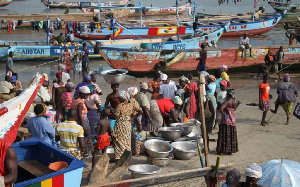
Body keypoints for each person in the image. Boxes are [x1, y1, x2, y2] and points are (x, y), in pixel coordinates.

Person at [111, 90, 142, 160]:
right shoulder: (132, 104)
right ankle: (127, 157)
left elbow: (115, 117)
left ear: (122, 98)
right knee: (127, 141)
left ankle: (119, 157)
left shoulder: (120, 106)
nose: (118, 99)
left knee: (119, 141)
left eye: (119, 98)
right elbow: (140, 111)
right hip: (128, 124)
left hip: (120, 125)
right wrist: (133, 118)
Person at [216, 89, 239, 155]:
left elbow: (221, 109)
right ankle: (231, 150)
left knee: (224, 134)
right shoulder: (235, 102)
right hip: (233, 119)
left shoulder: (227, 101)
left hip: (226, 120)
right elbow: (235, 108)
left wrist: (224, 113)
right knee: (231, 134)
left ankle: (222, 151)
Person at [75, 86, 92, 154]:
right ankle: (84, 151)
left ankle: (83, 151)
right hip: (82, 121)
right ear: (82, 94)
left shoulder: (78, 100)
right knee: (85, 136)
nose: (87, 96)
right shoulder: (80, 102)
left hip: (83, 121)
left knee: (83, 136)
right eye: (86, 94)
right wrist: (83, 127)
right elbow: (79, 115)